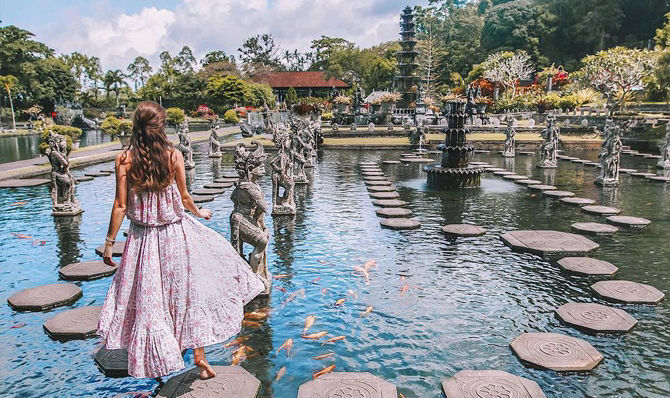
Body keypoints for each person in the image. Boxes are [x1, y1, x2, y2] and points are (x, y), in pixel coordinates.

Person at [97, 101, 264, 380]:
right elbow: (186, 197)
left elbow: (120, 206)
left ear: (135, 127)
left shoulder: (124, 159)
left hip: (143, 242)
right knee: (187, 295)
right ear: (162, 127)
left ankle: (158, 360)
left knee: (151, 301)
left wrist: (110, 243)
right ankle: (199, 356)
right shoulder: (173, 155)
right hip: (175, 237)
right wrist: (201, 212)